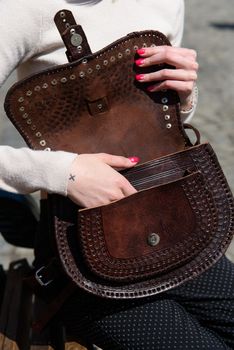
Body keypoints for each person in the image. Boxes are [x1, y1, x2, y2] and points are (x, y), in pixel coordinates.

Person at [0, 1, 233, 349]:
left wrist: (182, 97)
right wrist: (65, 173)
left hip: (177, 229)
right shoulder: (22, 9)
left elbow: (150, 123)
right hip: (82, 257)